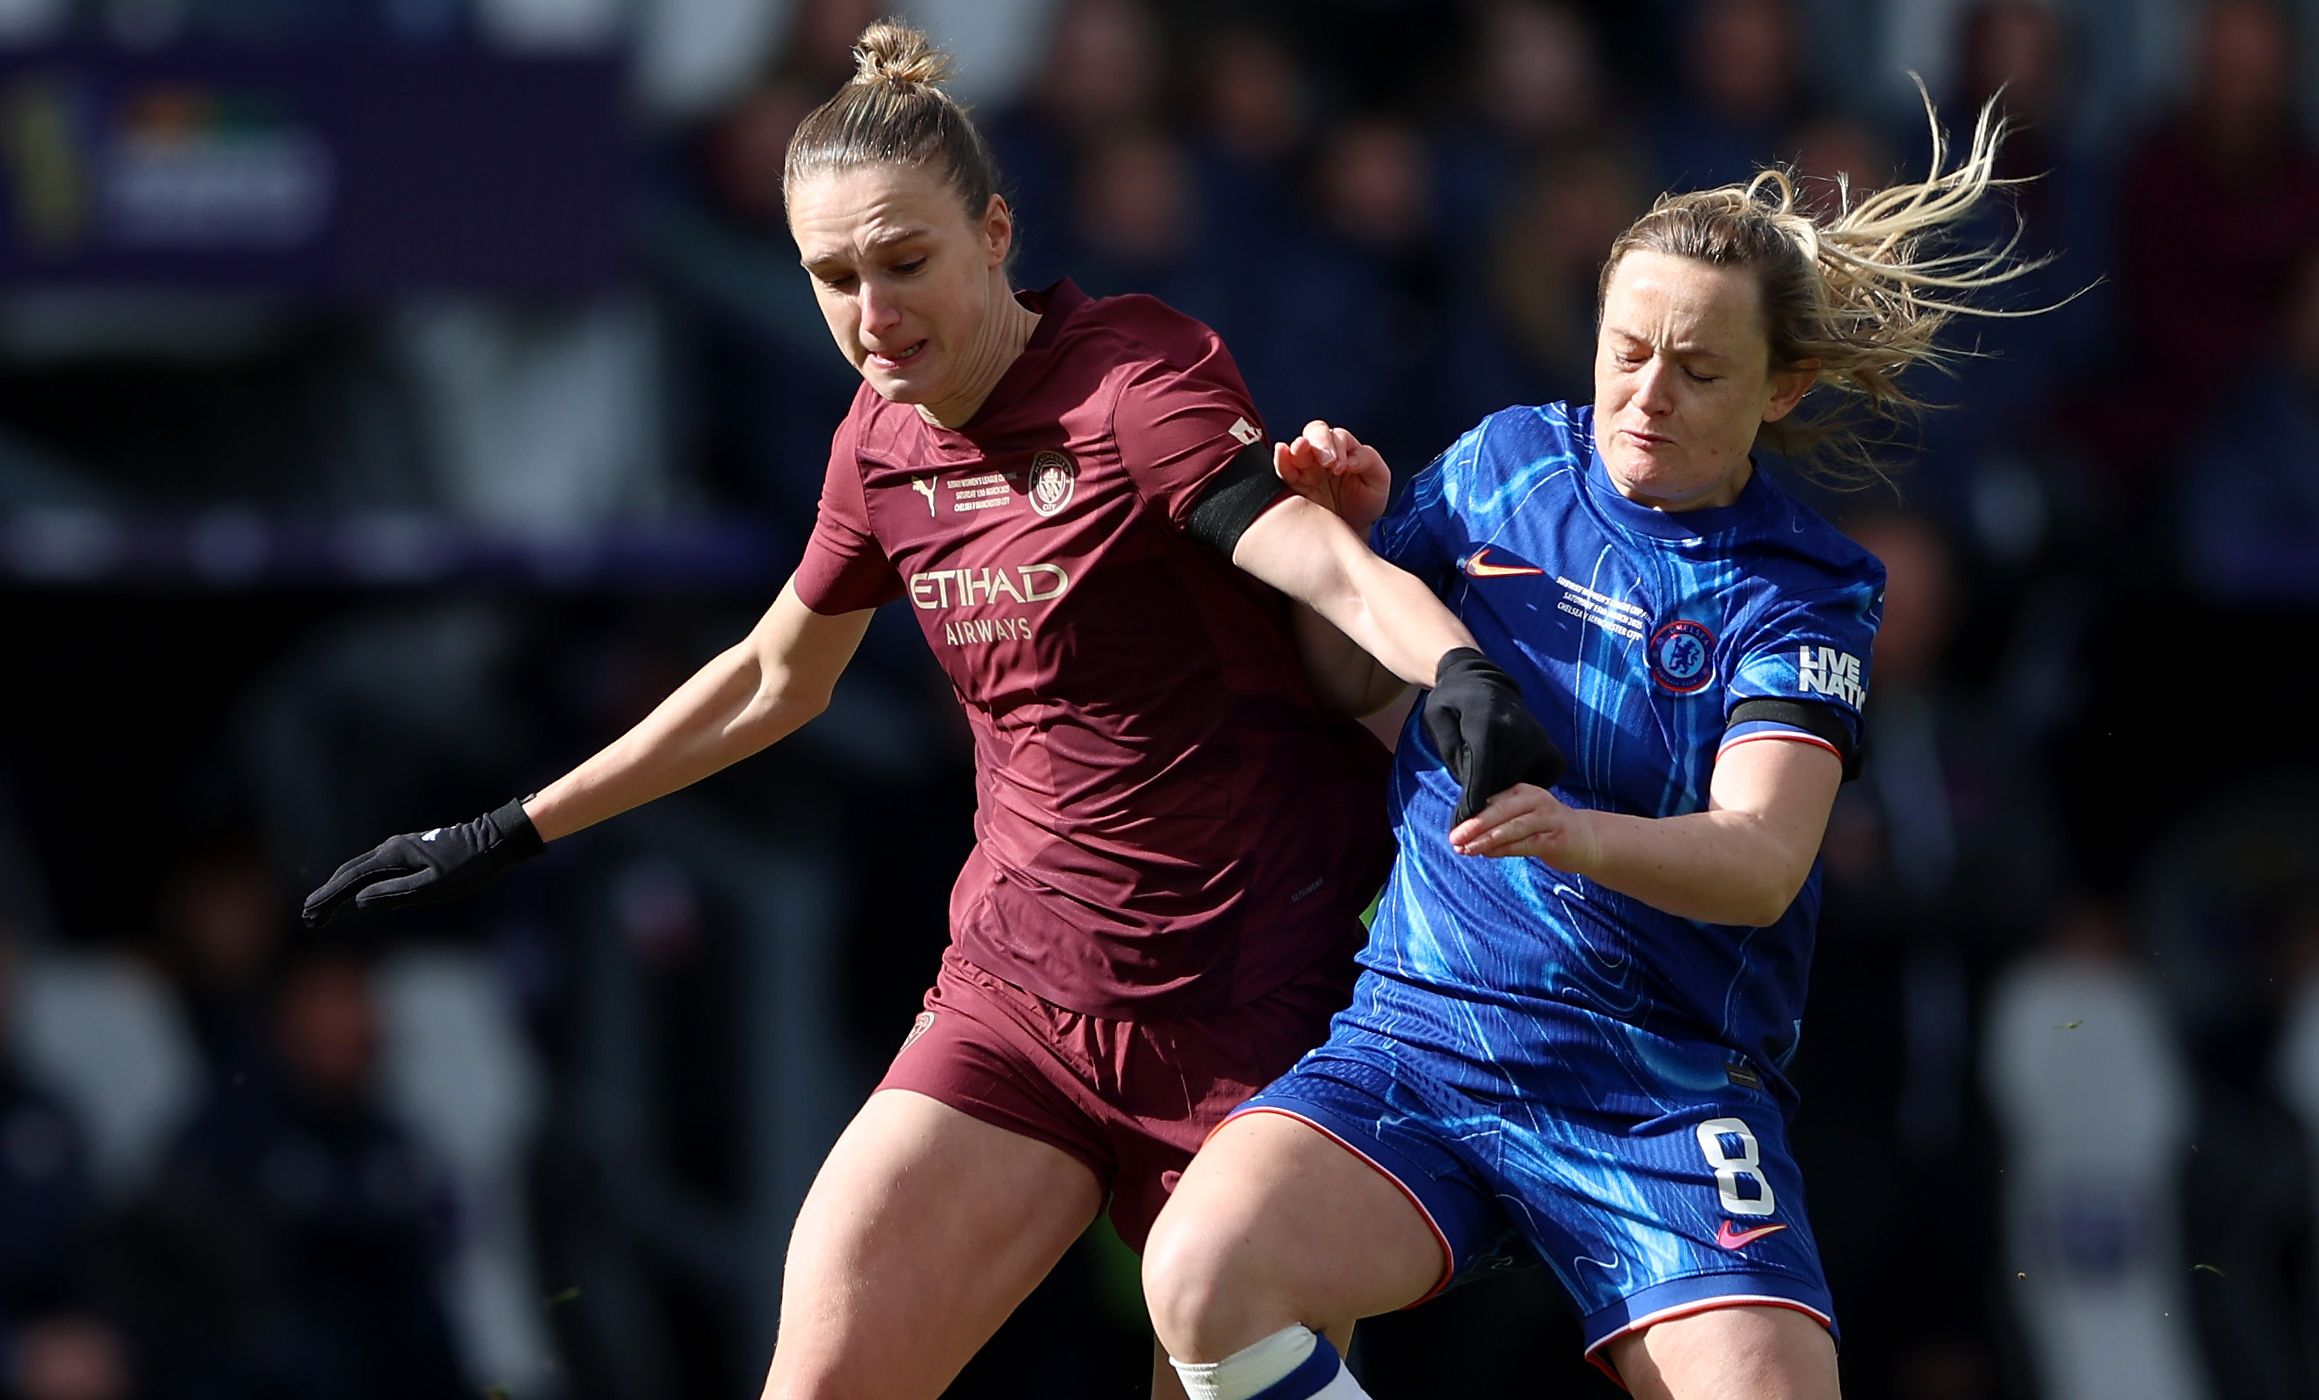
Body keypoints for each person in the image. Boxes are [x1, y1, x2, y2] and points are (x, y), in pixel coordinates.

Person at [300, 20, 1560, 1400]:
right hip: (1016, 1000)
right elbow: (776, 676)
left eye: (904, 262)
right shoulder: (878, 441)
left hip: (1253, 1017)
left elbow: (1318, 559)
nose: (872, 313)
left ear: (996, 231)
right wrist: (509, 829)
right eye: (832, 277)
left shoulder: (1135, 380)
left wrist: (1461, 671)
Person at [1141, 94, 2057, 1400]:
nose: (1647, 396)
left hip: (1662, 1089)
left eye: (1699, 370)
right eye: (1626, 351)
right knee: (1201, 1280)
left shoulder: (1806, 591)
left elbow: (1760, 862)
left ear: (1783, 388)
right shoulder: (1506, 462)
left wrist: (1574, 834)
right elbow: (1353, 682)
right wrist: (1341, 541)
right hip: (1427, 1039)